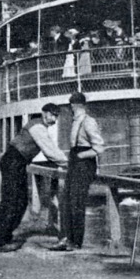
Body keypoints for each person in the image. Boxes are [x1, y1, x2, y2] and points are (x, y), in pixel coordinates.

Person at [0, 103, 68, 252]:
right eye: (53, 115)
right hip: (13, 162)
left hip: (17, 163)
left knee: (21, 202)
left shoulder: (40, 126)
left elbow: (50, 150)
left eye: (56, 116)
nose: (54, 119)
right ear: (44, 113)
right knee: (11, 202)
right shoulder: (37, 127)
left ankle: (5, 236)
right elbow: (50, 151)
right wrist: (67, 163)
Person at [50, 92, 105, 252]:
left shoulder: (88, 122)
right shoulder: (76, 122)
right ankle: (67, 239)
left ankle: (76, 241)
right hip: (75, 162)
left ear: (75, 106)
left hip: (84, 164)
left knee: (77, 202)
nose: (71, 109)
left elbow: (99, 147)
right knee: (67, 201)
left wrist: (81, 155)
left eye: (72, 106)